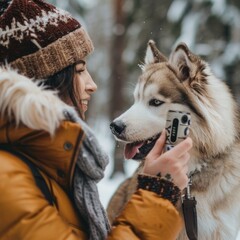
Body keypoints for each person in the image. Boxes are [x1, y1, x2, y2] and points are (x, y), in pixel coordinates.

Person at [0, 0, 192, 239]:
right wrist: (157, 195)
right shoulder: (7, 179)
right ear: (43, 80)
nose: (92, 85)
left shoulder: (52, 164)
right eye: (79, 71)